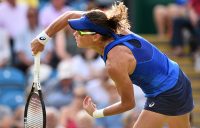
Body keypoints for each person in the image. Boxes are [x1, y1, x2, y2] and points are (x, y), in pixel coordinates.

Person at [31, 2, 194, 128]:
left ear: (95, 37)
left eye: (80, 31)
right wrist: (42, 38)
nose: (74, 33)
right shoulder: (106, 25)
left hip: (167, 92)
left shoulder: (115, 63)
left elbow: (128, 103)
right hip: (178, 76)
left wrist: (96, 113)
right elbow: (68, 15)